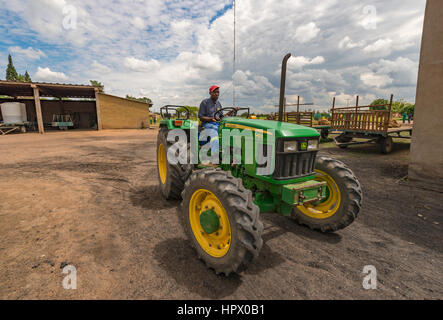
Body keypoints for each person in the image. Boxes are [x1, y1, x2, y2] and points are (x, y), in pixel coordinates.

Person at [198, 85, 238, 156]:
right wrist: (211, 119)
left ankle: (230, 152)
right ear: (210, 93)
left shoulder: (218, 104)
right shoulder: (205, 102)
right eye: (215, 92)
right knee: (215, 130)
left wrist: (232, 111)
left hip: (217, 123)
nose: (217, 94)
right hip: (207, 124)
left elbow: (222, 116)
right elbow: (201, 117)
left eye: (218, 92)